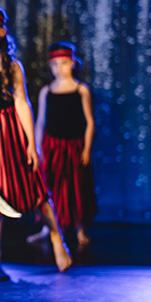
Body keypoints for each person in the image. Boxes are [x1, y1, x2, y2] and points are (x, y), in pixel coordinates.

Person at [0, 6, 72, 272]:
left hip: (9, 131)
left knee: (33, 186)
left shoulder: (12, 65)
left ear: (2, 31)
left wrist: (31, 143)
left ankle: (57, 238)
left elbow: (22, 103)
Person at [26, 42, 96, 246]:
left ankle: (80, 229)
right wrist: (37, 148)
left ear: (73, 63)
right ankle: (47, 228)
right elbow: (40, 122)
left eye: (63, 63)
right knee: (51, 186)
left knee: (77, 187)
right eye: (55, 64)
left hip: (74, 146)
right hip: (52, 146)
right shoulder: (47, 91)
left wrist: (86, 149)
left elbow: (89, 122)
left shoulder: (81, 90)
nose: (59, 68)